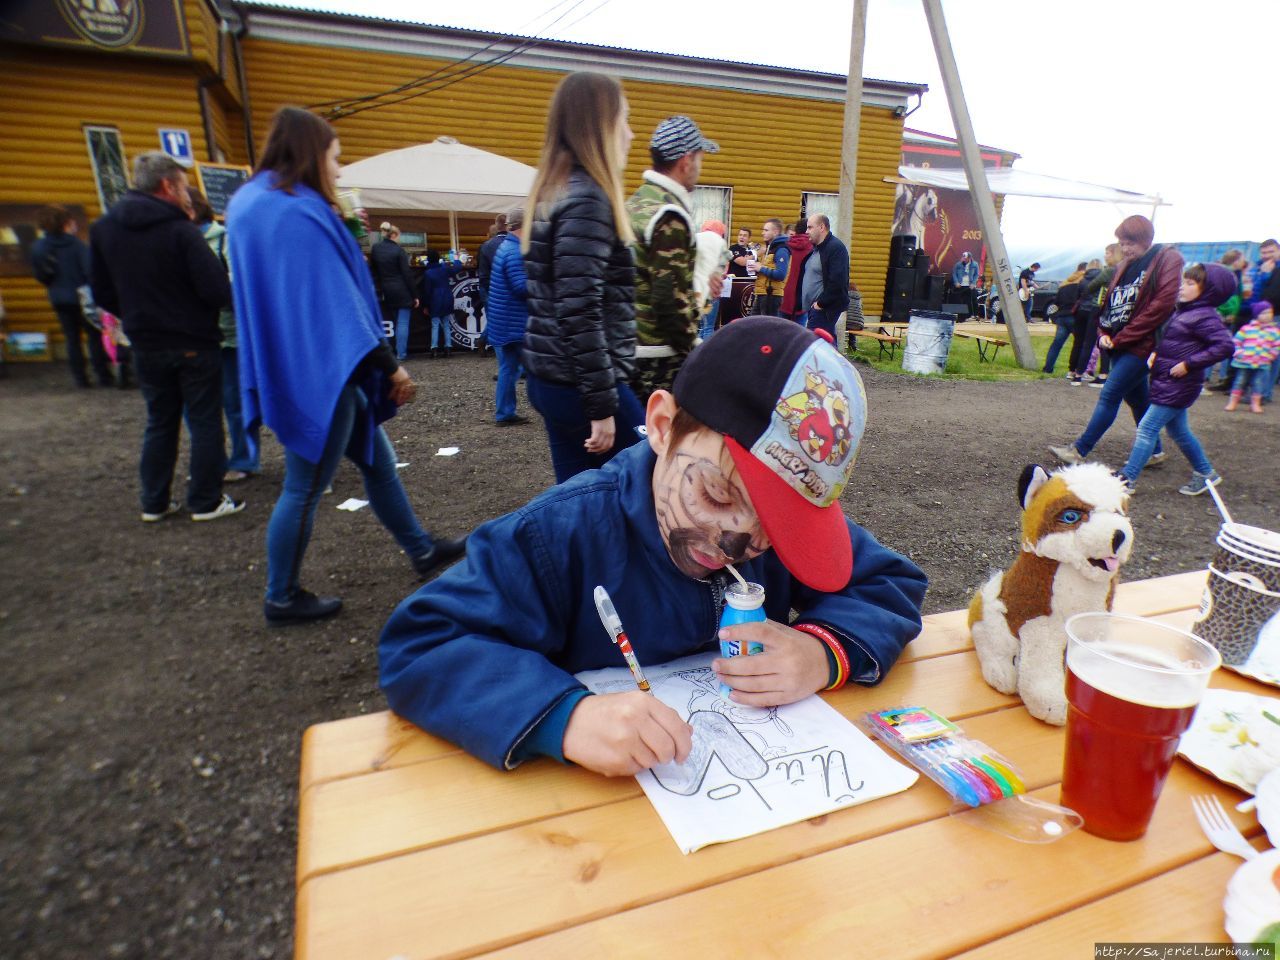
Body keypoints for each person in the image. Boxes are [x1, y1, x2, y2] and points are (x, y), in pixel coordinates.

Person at [378, 317, 928, 775]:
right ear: (663, 427)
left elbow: (891, 582)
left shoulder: (766, 528)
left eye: (778, 525)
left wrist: (822, 653)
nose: (737, 541)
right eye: (715, 494)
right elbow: (421, 644)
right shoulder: (557, 535)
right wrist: (563, 717)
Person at [227, 106, 465, 625]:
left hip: (305, 365)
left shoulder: (251, 202)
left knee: (378, 464)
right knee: (304, 485)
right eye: (335, 157)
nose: (338, 169)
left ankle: (420, 548)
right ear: (312, 152)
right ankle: (281, 595)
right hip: (321, 374)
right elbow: (335, 303)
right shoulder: (293, 209)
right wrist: (391, 368)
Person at [89, 152, 242, 523]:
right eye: (183, 185)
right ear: (168, 186)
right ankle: (205, 500)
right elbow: (217, 290)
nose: (189, 193)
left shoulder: (105, 229)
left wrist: (138, 315)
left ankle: (154, 502)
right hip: (194, 340)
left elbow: (103, 293)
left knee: (160, 420)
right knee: (204, 419)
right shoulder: (181, 231)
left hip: (145, 341)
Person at [521, 71, 645, 483]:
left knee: (574, 499)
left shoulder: (558, 191)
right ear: (600, 127)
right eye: (623, 120)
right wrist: (601, 406)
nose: (630, 133)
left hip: (554, 377)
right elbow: (578, 309)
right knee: (657, 476)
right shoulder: (589, 198)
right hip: (579, 384)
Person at [1049, 216, 1182, 466]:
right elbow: (1109, 304)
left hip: (1144, 345)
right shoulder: (1124, 266)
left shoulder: (1167, 258)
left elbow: (1161, 306)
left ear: (1145, 239)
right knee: (1138, 399)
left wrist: (1122, 336)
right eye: (1122, 242)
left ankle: (1079, 450)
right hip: (1120, 343)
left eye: (1130, 242)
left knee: (1109, 394)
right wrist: (1104, 333)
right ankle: (1155, 451)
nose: (1126, 248)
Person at [1115, 263, 1235, 495]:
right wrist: (1157, 355)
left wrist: (1189, 364)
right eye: (1183, 281)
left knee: (1147, 428)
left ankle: (1127, 479)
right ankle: (1206, 474)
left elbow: (1225, 346)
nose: (1182, 286)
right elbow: (1178, 343)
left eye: (1190, 283)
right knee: (1178, 431)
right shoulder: (1187, 312)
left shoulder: (1205, 316)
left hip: (1179, 385)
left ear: (1209, 289)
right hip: (1170, 382)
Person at [628, 114, 722, 400]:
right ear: (686, 160)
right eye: (700, 158)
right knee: (664, 441)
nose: (699, 167)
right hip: (658, 357)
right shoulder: (669, 215)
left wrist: (701, 287)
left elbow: (647, 276)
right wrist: (692, 347)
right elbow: (668, 301)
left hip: (627, 347)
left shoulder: (636, 203)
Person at [189, 189, 259, 482]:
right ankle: (211, 461)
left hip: (229, 336)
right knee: (199, 405)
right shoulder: (181, 240)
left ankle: (244, 460)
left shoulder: (223, 240)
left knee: (234, 400)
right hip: (194, 337)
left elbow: (237, 286)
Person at [31, 205, 112, 388]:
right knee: (94, 336)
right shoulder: (76, 244)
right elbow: (90, 270)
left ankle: (80, 379)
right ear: (65, 223)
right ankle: (103, 376)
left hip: (59, 297)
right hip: (83, 296)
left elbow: (41, 275)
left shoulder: (39, 247)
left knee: (72, 338)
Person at [484, 204, 530, 426]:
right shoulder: (515, 251)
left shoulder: (505, 248)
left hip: (504, 321)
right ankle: (552, 410)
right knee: (538, 367)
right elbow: (521, 287)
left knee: (508, 369)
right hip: (515, 323)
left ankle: (505, 413)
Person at [369, 223, 419, 361]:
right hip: (402, 290)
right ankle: (401, 353)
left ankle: (388, 353)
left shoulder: (375, 249)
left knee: (393, 321)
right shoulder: (399, 251)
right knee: (402, 324)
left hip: (386, 290)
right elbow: (407, 274)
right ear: (394, 235)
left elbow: (374, 271)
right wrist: (415, 295)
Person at [1225, 301, 1280, 414]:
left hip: (1262, 363)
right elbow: (1236, 342)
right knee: (1239, 381)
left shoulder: (1274, 331)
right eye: (1264, 313)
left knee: (1259, 383)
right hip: (1244, 361)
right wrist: (1239, 353)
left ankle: (1255, 403)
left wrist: (1271, 356)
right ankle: (1233, 401)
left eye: (1270, 312)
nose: (1268, 315)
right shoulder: (1246, 329)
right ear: (1256, 315)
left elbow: (1276, 345)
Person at [802, 214, 850, 339]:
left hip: (824, 310)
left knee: (814, 344)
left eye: (810, 227)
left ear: (822, 227)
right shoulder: (817, 249)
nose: (807, 231)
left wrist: (821, 304)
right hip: (814, 309)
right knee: (825, 343)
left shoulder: (835, 248)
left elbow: (838, 281)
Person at [419, 251, 463, 358]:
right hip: (447, 297)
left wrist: (425, 305)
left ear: (428, 260)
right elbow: (457, 268)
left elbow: (427, 291)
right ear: (438, 258)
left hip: (435, 300)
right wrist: (456, 259)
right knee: (447, 324)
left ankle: (434, 349)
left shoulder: (428, 273)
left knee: (435, 325)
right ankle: (448, 348)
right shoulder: (444, 268)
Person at [1041, 267, 1085, 374]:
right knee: (1078, 344)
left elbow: (1056, 302)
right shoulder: (1081, 287)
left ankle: (1048, 368)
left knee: (1056, 344)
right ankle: (1075, 369)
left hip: (1061, 317)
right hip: (1075, 317)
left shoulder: (1064, 287)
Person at [1066, 258, 1103, 384]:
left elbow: (1077, 296)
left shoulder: (1082, 279)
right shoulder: (1102, 278)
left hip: (1081, 310)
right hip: (1093, 310)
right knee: (1089, 344)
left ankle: (1071, 370)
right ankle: (1081, 373)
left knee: (1078, 342)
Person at [693, 218, 729, 342]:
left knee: (698, 327)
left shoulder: (696, 244)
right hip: (711, 293)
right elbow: (723, 271)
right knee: (708, 327)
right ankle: (705, 355)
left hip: (695, 292)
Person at [751, 218, 790, 317]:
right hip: (763, 293)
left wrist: (761, 268)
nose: (762, 233)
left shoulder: (781, 249)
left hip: (771, 295)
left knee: (767, 329)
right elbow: (767, 270)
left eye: (766, 230)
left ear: (775, 232)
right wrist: (756, 269)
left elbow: (781, 274)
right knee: (753, 325)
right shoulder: (770, 248)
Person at [778, 217, 813, 323]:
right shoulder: (812, 249)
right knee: (799, 335)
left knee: (780, 333)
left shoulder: (787, 245)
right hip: (802, 298)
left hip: (783, 295)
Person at [475, 213, 508, 320]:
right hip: (506, 290)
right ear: (508, 225)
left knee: (492, 321)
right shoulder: (514, 244)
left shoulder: (486, 246)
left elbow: (481, 268)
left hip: (488, 287)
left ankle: (483, 337)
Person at [950, 250, 979, 317]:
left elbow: (976, 275)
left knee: (969, 301)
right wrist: (956, 282)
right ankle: (959, 316)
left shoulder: (975, 264)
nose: (964, 259)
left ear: (969, 258)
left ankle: (970, 315)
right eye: (963, 257)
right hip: (960, 285)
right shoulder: (958, 264)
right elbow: (954, 274)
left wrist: (973, 283)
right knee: (959, 301)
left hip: (969, 285)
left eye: (965, 258)